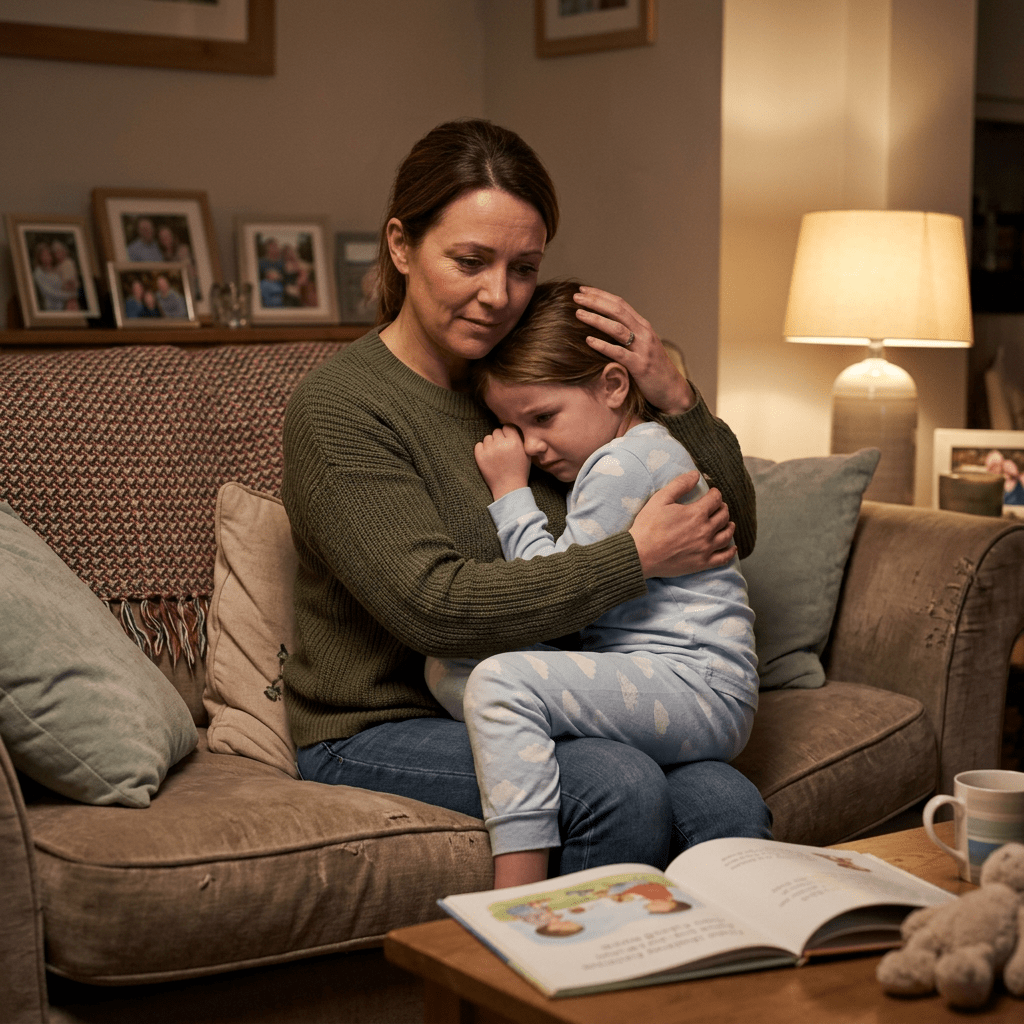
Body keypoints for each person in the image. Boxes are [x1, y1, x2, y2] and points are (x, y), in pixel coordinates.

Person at [281, 119, 771, 887]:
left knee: (724, 801)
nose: (499, 296)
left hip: (545, 685)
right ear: (402, 246)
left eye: (523, 267)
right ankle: (557, 990)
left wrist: (673, 396)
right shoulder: (342, 408)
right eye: (470, 261)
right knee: (616, 785)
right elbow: (433, 609)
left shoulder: (527, 385)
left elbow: (731, 530)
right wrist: (637, 556)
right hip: (379, 722)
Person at [424, 280, 758, 886]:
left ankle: (516, 891)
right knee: (459, 672)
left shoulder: (619, 465)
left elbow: (556, 592)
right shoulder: (646, 450)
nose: (530, 444)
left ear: (612, 385)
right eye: (514, 426)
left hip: (693, 686)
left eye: (543, 418)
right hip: (695, 687)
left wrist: (510, 492)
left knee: (498, 681)